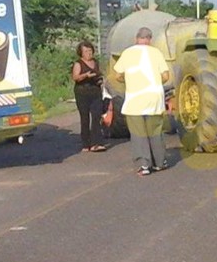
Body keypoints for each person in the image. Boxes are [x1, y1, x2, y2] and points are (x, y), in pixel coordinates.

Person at [113, 27, 170, 176]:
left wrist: (128, 81)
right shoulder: (156, 53)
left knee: (139, 134)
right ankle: (160, 162)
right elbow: (165, 76)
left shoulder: (127, 53)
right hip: (154, 99)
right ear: (150, 39)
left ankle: (144, 165)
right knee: (155, 132)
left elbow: (117, 75)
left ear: (136, 38)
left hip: (135, 100)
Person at [72, 40, 107, 152]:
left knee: (97, 116)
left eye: (90, 51)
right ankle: (86, 143)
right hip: (82, 92)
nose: (89, 53)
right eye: (86, 51)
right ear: (81, 53)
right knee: (85, 118)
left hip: (95, 92)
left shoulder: (95, 62)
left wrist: (101, 81)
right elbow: (75, 77)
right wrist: (85, 75)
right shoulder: (78, 64)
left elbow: (99, 74)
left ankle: (96, 143)